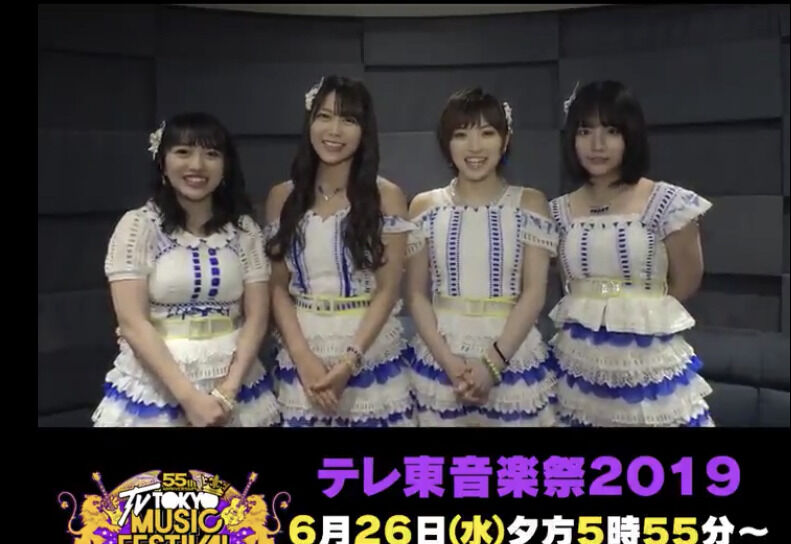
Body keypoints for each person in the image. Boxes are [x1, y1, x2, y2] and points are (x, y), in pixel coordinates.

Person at [92, 112, 280, 427]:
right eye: (183, 152)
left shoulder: (245, 230)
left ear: (225, 165)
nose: (197, 165)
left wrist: (226, 393)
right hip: (158, 385)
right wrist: (190, 399)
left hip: (236, 385)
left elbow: (258, 317)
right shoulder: (138, 226)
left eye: (211, 154)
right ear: (162, 162)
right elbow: (132, 323)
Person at [548, 80, 714, 426]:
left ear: (631, 135)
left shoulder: (668, 202)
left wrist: (636, 314)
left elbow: (687, 280)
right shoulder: (558, 211)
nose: (597, 145)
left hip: (648, 362)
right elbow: (568, 286)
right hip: (578, 364)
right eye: (585, 131)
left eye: (611, 131)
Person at [265, 75, 416, 427]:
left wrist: (351, 361)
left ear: (364, 130)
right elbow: (277, 287)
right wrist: (303, 358)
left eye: (348, 119)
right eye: (324, 116)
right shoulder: (282, 197)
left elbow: (388, 288)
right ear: (310, 122)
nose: (334, 130)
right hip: (302, 349)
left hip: (368, 348)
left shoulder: (387, 196)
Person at [405, 88, 559, 426]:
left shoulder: (530, 203)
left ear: (505, 139)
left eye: (487, 133)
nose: (474, 147)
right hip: (440, 357)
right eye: (461, 135)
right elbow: (415, 294)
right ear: (446, 142)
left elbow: (534, 294)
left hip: (512, 353)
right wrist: (448, 363)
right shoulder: (424, 206)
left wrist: (492, 365)